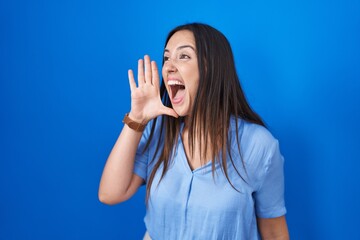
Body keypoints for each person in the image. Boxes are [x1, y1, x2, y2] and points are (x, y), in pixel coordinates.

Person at [98, 23, 289, 240]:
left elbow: (275, 233)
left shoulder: (258, 145)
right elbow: (109, 194)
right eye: (166, 58)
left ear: (211, 69)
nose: (169, 66)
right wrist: (136, 118)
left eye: (184, 56)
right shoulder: (159, 130)